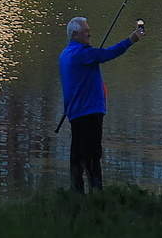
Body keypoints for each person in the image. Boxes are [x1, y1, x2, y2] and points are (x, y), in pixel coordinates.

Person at [58, 14, 145, 194]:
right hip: (89, 112)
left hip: (75, 113)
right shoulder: (82, 54)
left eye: (89, 31)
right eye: (86, 32)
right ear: (75, 34)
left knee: (77, 156)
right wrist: (131, 39)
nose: (89, 34)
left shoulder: (65, 55)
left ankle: (76, 194)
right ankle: (97, 194)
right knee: (92, 156)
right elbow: (108, 53)